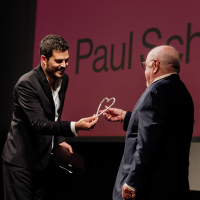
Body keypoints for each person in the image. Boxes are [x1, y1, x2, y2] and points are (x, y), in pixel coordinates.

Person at [2, 35, 98, 200]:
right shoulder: (27, 84)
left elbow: (54, 115)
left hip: (43, 161)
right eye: (59, 61)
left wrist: (59, 139)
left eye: (66, 60)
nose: (64, 65)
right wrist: (75, 126)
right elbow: (39, 124)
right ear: (44, 59)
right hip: (21, 163)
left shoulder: (63, 79)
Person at [101, 45, 194, 200]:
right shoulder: (183, 92)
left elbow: (148, 144)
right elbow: (165, 129)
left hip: (151, 188)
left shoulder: (154, 92)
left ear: (155, 65)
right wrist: (126, 116)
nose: (145, 72)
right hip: (173, 186)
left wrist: (132, 183)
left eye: (146, 66)